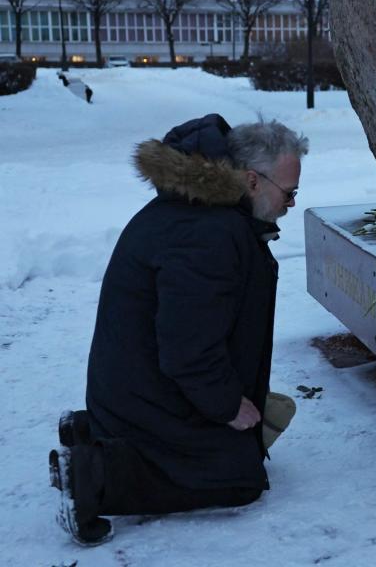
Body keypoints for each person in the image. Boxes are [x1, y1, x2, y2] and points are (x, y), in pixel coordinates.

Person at [49, 113, 307, 546]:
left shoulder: (201, 215)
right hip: (153, 394)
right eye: (290, 191)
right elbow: (188, 348)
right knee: (239, 481)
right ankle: (96, 473)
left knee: (246, 447)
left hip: (143, 389)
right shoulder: (208, 233)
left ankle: (91, 433)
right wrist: (227, 405)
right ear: (252, 181)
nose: (292, 203)